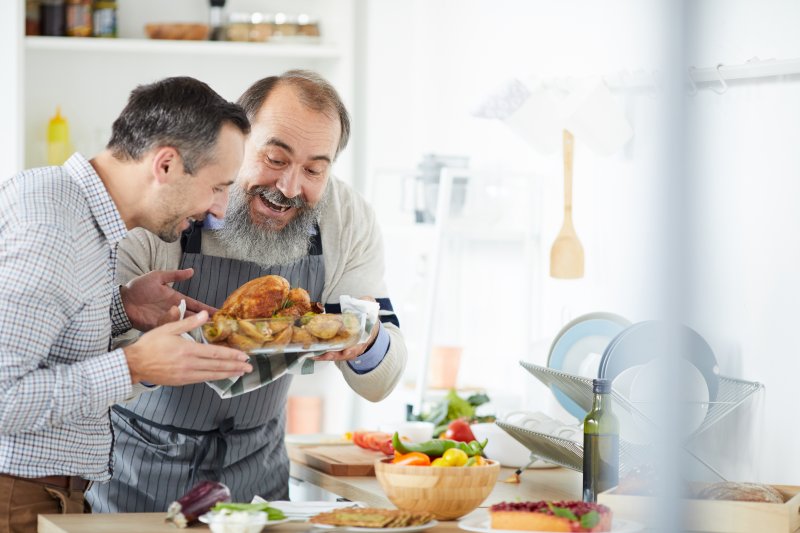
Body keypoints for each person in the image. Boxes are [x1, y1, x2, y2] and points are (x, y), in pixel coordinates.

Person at [87, 70, 408, 512]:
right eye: (274, 159)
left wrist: (367, 341)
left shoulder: (346, 219)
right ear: (237, 143)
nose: (289, 188)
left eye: (314, 169)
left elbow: (384, 378)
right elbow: (90, 361)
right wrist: (147, 357)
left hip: (259, 483)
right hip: (135, 476)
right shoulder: (166, 205)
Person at [0, 76, 254, 532]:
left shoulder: (68, 207)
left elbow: (45, 328)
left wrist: (122, 307)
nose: (219, 208)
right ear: (167, 164)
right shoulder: (54, 231)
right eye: (218, 186)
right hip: (15, 497)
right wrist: (133, 365)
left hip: (39, 492)